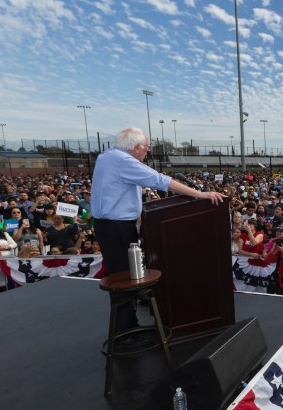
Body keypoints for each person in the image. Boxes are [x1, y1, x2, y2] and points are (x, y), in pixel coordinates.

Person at [91, 126, 223, 330]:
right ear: (136, 147)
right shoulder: (123, 160)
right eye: (147, 147)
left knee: (126, 275)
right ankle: (125, 332)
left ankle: (128, 325)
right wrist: (199, 194)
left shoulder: (107, 156)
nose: (147, 152)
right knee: (125, 278)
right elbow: (161, 181)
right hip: (117, 229)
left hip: (111, 227)